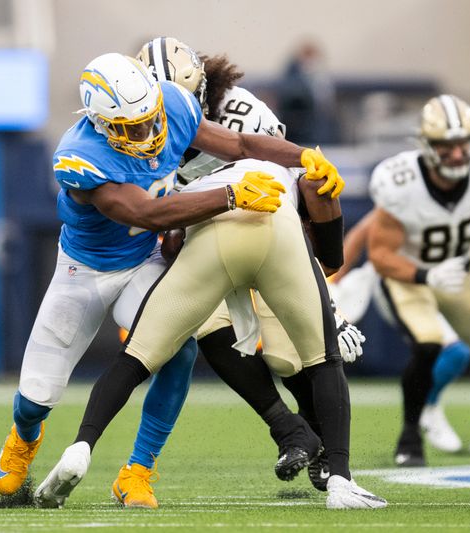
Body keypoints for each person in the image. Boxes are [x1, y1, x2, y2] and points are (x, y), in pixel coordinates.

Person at [0, 51, 344, 499]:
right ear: (100, 123)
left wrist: (305, 158)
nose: (145, 132)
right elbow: (149, 212)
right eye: (129, 127)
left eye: (148, 119)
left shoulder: (172, 105)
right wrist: (231, 195)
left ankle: (137, 470)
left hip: (144, 261)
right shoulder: (79, 158)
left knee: (177, 348)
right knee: (37, 393)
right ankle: (25, 436)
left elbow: (240, 146)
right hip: (85, 270)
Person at [33, 158, 386, 510]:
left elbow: (169, 242)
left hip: (207, 239)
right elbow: (316, 191)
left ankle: (81, 446)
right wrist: (329, 308)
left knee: (136, 357)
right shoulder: (275, 154)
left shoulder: (179, 169)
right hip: (277, 229)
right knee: (323, 359)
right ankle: (340, 479)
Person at [124, 37, 352, 507]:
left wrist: (327, 287)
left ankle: (323, 444)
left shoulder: (241, 113)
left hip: (268, 229)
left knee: (293, 353)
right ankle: (288, 430)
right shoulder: (131, 127)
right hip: (203, 237)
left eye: (182, 101)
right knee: (203, 324)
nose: (168, 112)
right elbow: (153, 225)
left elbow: (303, 188)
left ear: (204, 89)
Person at [329, 105, 470, 458]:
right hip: (408, 274)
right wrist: (336, 281)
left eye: (466, 144)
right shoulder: (403, 182)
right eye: (448, 146)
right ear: (427, 146)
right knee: (430, 342)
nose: (459, 154)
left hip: (460, 271)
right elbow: (375, 248)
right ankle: (411, 436)